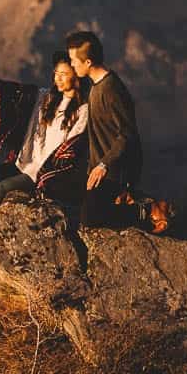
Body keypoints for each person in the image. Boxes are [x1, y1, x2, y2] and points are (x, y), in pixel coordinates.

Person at [0, 51, 89, 254]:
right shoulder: (48, 98)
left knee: (4, 186)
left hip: (48, 175)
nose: (57, 78)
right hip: (29, 162)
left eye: (64, 74)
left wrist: (49, 171)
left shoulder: (83, 110)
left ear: (76, 76)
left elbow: (73, 146)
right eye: (56, 73)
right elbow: (18, 92)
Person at [64, 30, 145, 228]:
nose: (72, 65)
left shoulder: (111, 89)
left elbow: (127, 134)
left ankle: (143, 211)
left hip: (114, 172)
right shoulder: (95, 86)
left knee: (89, 221)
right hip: (96, 168)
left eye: (74, 61)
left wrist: (104, 165)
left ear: (88, 62)